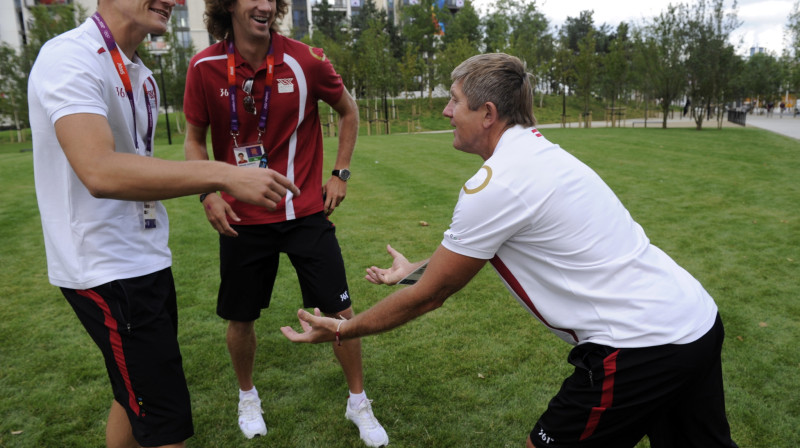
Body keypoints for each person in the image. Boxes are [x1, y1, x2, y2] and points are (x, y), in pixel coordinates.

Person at [281, 53, 739, 448]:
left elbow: (432, 295)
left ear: (487, 112)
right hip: (694, 319)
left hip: (640, 345)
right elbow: (461, 260)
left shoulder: (499, 183)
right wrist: (416, 269)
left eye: (454, 100)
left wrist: (343, 330)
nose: (445, 111)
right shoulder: (536, 154)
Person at [27, 1, 299, 447]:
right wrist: (223, 174)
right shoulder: (68, 57)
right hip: (105, 268)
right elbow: (99, 171)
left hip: (142, 258)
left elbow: (136, 167)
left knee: (133, 396)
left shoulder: (142, 75)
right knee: (166, 420)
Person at [182, 0, 387, 446]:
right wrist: (208, 191)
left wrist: (341, 173)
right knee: (240, 318)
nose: (265, 5)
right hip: (242, 219)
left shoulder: (307, 60)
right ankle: (247, 395)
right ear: (228, 5)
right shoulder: (203, 66)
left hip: (305, 214)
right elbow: (194, 139)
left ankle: (359, 403)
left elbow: (349, 111)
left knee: (341, 312)